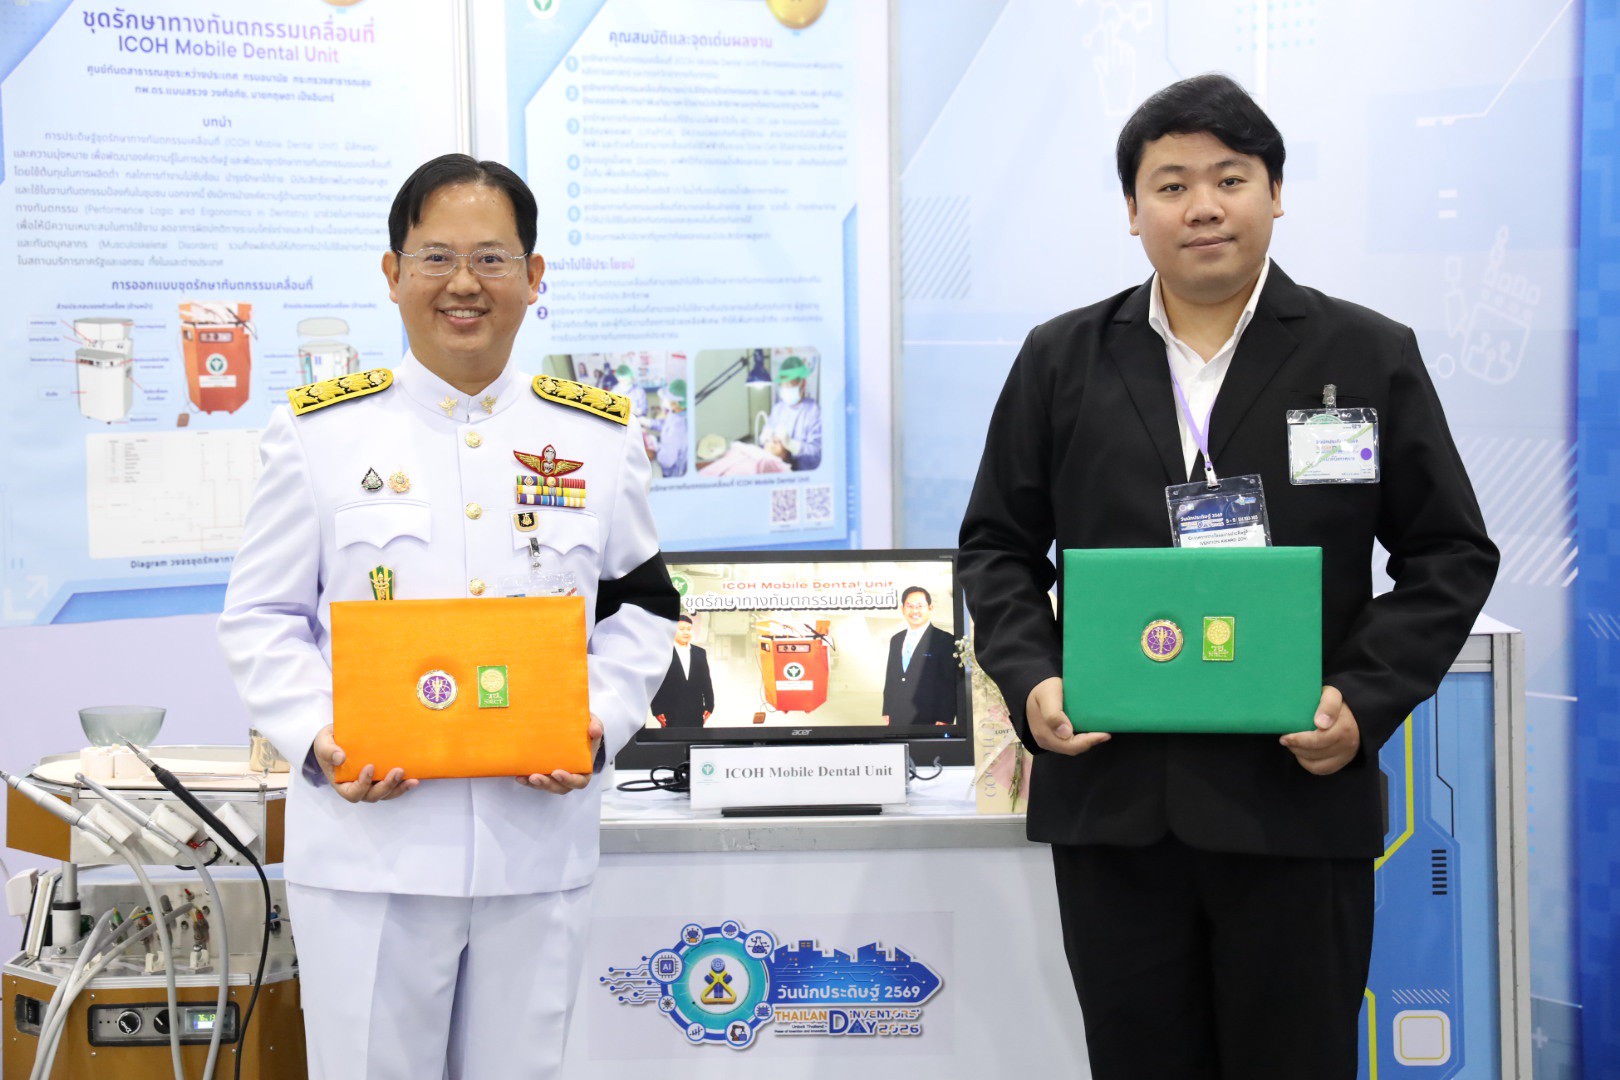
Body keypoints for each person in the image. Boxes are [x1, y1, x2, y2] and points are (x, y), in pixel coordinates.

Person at [957, 74, 1497, 1080]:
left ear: (1275, 193)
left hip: (1295, 797)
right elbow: (996, 548)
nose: (1202, 206)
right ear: (1133, 211)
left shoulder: (1366, 354)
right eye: (1171, 185)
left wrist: (1362, 698)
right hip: (1115, 802)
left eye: (1230, 178)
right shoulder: (1061, 359)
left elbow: (1450, 554)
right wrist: (1034, 680)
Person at [217, 154, 679, 1080]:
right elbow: (262, 614)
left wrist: (595, 722)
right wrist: (321, 736)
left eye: (492, 259)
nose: (464, 284)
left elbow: (642, 603)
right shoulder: (319, 433)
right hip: (370, 855)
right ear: (393, 273)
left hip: (535, 849)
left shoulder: (596, 436)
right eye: (436, 257)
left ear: (533, 277)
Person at [881, 586, 957, 726]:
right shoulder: (896, 639)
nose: (914, 611)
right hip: (898, 714)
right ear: (902, 609)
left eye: (919, 606)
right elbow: (891, 676)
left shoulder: (945, 640)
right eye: (909, 606)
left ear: (930, 608)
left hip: (931, 717)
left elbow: (949, 682)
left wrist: (946, 717)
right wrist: (887, 709)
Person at [649, 614, 714, 727]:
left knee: (696, 736)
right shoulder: (662, 653)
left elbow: (706, 681)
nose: (686, 632)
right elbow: (655, 683)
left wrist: (709, 705)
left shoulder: (700, 653)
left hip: (696, 710)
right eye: (682, 629)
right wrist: (657, 709)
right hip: (670, 711)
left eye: (689, 629)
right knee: (672, 738)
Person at [759, 354, 822, 470]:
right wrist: (765, 438)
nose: (786, 389)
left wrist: (792, 445)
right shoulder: (778, 409)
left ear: (803, 384)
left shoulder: (813, 412)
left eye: (790, 385)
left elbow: (817, 454)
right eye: (783, 385)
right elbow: (767, 435)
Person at [655, 379, 688, 478]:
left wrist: (656, 450)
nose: (663, 401)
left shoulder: (677, 428)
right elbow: (665, 426)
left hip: (672, 474)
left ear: (676, 403)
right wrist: (648, 422)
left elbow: (667, 461)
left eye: (665, 399)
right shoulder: (677, 413)